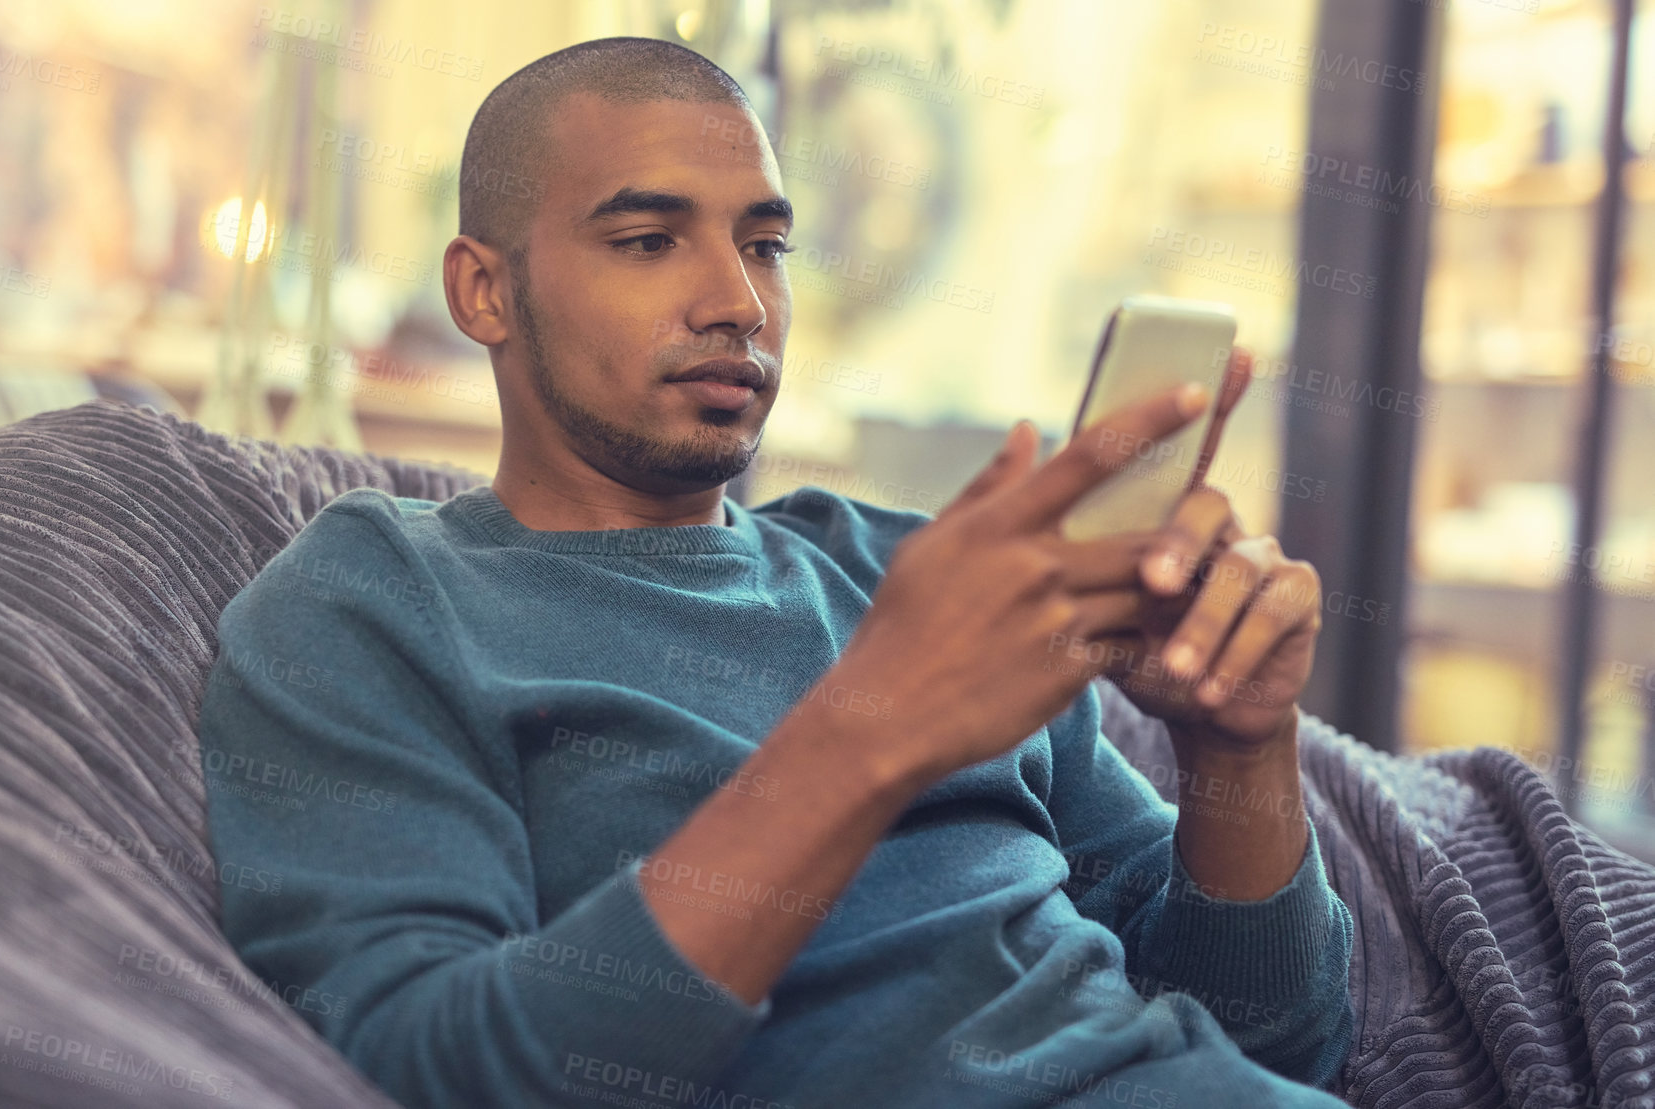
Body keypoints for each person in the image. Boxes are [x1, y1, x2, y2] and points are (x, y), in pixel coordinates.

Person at [195, 36, 1355, 1109]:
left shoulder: (897, 568)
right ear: (483, 290)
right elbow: (434, 1065)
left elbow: (1276, 1037)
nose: (739, 303)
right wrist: (869, 730)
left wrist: (1240, 748)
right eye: (648, 241)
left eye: (766, 245)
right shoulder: (377, 598)